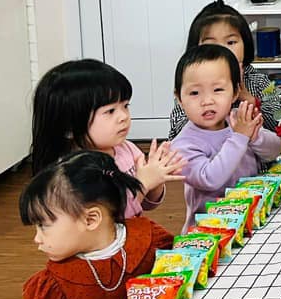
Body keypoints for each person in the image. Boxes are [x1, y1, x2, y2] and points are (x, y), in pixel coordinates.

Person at [21, 150, 173, 299]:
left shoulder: (151, 240)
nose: (37, 239)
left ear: (91, 219)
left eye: (44, 226)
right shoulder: (53, 290)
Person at [29, 59, 184, 219]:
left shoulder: (127, 149)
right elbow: (109, 218)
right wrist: (143, 184)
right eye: (110, 111)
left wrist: (157, 179)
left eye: (125, 106)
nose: (123, 116)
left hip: (128, 229)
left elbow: (146, 203)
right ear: (69, 126)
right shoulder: (74, 172)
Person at [173, 43, 281, 228]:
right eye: (194, 93)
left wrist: (255, 137)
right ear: (179, 99)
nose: (207, 101)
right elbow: (209, 179)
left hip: (253, 217)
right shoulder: (182, 145)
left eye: (218, 90)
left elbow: (274, 151)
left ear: (235, 93)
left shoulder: (239, 121)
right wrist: (240, 137)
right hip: (210, 232)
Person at [168, 0, 281, 139]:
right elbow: (177, 129)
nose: (223, 50)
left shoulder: (257, 80)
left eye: (231, 42)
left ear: (245, 44)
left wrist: (249, 100)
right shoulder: (191, 80)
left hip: (249, 150)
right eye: (211, 44)